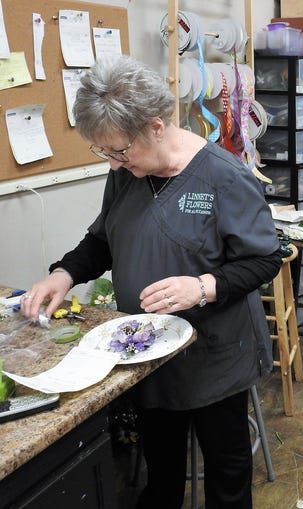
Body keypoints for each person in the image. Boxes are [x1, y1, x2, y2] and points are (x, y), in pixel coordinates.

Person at [20, 56, 282, 509]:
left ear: (157, 127)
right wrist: (64, 273)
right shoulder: (125, 174)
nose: (115, 162)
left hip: (214, 354)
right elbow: (104, 239)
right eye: (104, 152)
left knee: (227, 471)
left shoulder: (225, 177)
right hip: (149, 353)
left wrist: (201, 287)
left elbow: (264, 260)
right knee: (161, 470)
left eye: (120, 150)